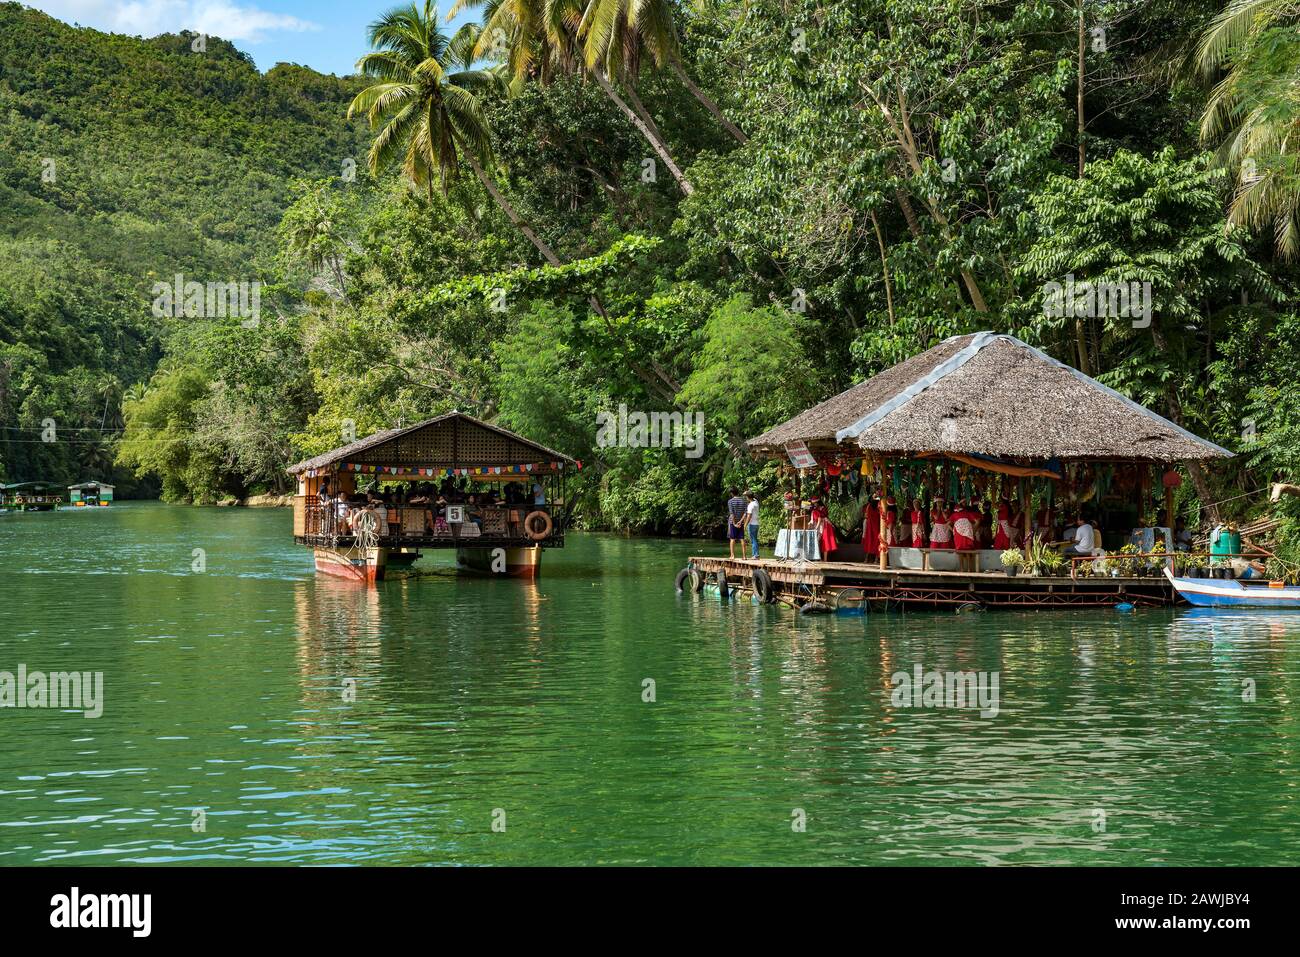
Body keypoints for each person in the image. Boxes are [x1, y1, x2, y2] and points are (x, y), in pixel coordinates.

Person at [726, 487, 747, 558]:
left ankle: (732, 555)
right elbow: (745, 513)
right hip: (741, 522)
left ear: (732, 493)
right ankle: (744, 556)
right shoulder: (744, 501)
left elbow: (732, 514)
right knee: (742, 539)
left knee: (732, 539)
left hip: (733, 523)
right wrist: (740, 522)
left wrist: (735, 523)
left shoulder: (730, 501)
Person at [861, 488, 881, 559]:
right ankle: (871, 559)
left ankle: (871, 559)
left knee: (873, 541)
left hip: (874, 525)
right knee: (873, 541)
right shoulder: (872, 506)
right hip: (873, 526)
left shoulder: (878, 506)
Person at [744, 490, 761, 559]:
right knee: (755, 539)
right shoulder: (756, 501)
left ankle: (755, 555)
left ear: (748, 497)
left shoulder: (750, 505)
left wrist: (745, 525)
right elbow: (751, 495)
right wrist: (747, 493)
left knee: (753, 540)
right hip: (756, 523)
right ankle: (755, 554)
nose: (745, 498)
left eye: (746, 497)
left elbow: (749, 516)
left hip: (752, 524)